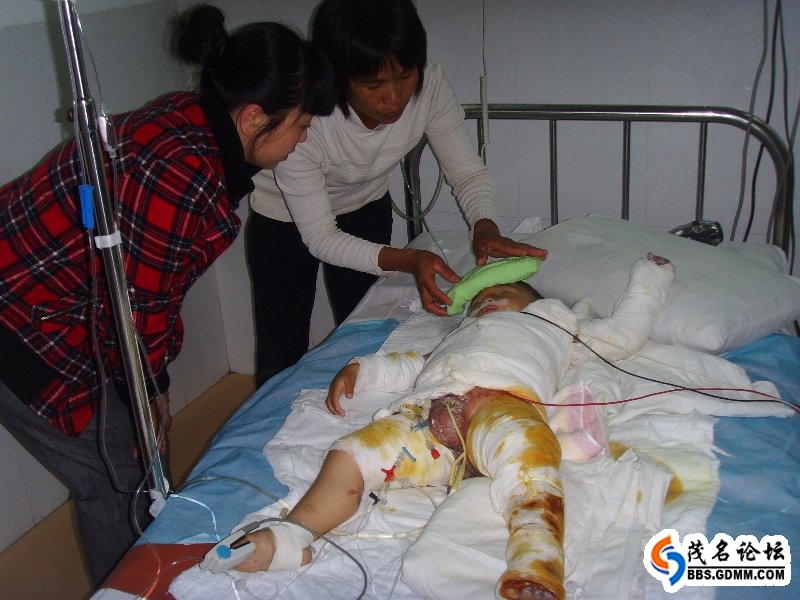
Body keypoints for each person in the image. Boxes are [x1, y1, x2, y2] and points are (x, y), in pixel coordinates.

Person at [0, 3, 335, 588]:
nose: (303, 140)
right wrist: (150, 389)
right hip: (19, 314)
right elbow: (137, 306)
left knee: (135, 458)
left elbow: (143, 293)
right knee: (118, 475)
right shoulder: (181, 170)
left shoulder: (192, 122)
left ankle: (149, 557)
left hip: (62, 303)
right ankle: (133, 587)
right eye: (301, 125)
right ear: (254, 116)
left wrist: (151, 385)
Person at [231, 254, 675, 600]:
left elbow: (622, 336)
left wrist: (650, 281)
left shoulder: (557, 327)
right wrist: (360, 369)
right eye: (479, 299)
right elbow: (412, 365)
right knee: (353, 452)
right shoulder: (458, 336)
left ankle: (536, 563)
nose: (486, 300)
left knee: (530, 457)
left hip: (501, 409)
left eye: (502, 292)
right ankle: (296, 533)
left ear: (536, 304)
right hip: (427, 423)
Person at [246, 0, 548, 387]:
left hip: (364, 205)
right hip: (283, 218)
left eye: (405, 76)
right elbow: (320, 237)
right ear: (338, 76)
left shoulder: (430, 86)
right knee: (281, 348)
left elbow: (467, 172)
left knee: (367, 331)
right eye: (373, 85)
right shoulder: (307, 114)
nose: (394, 97)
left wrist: (484, 225)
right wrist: (407, 259)